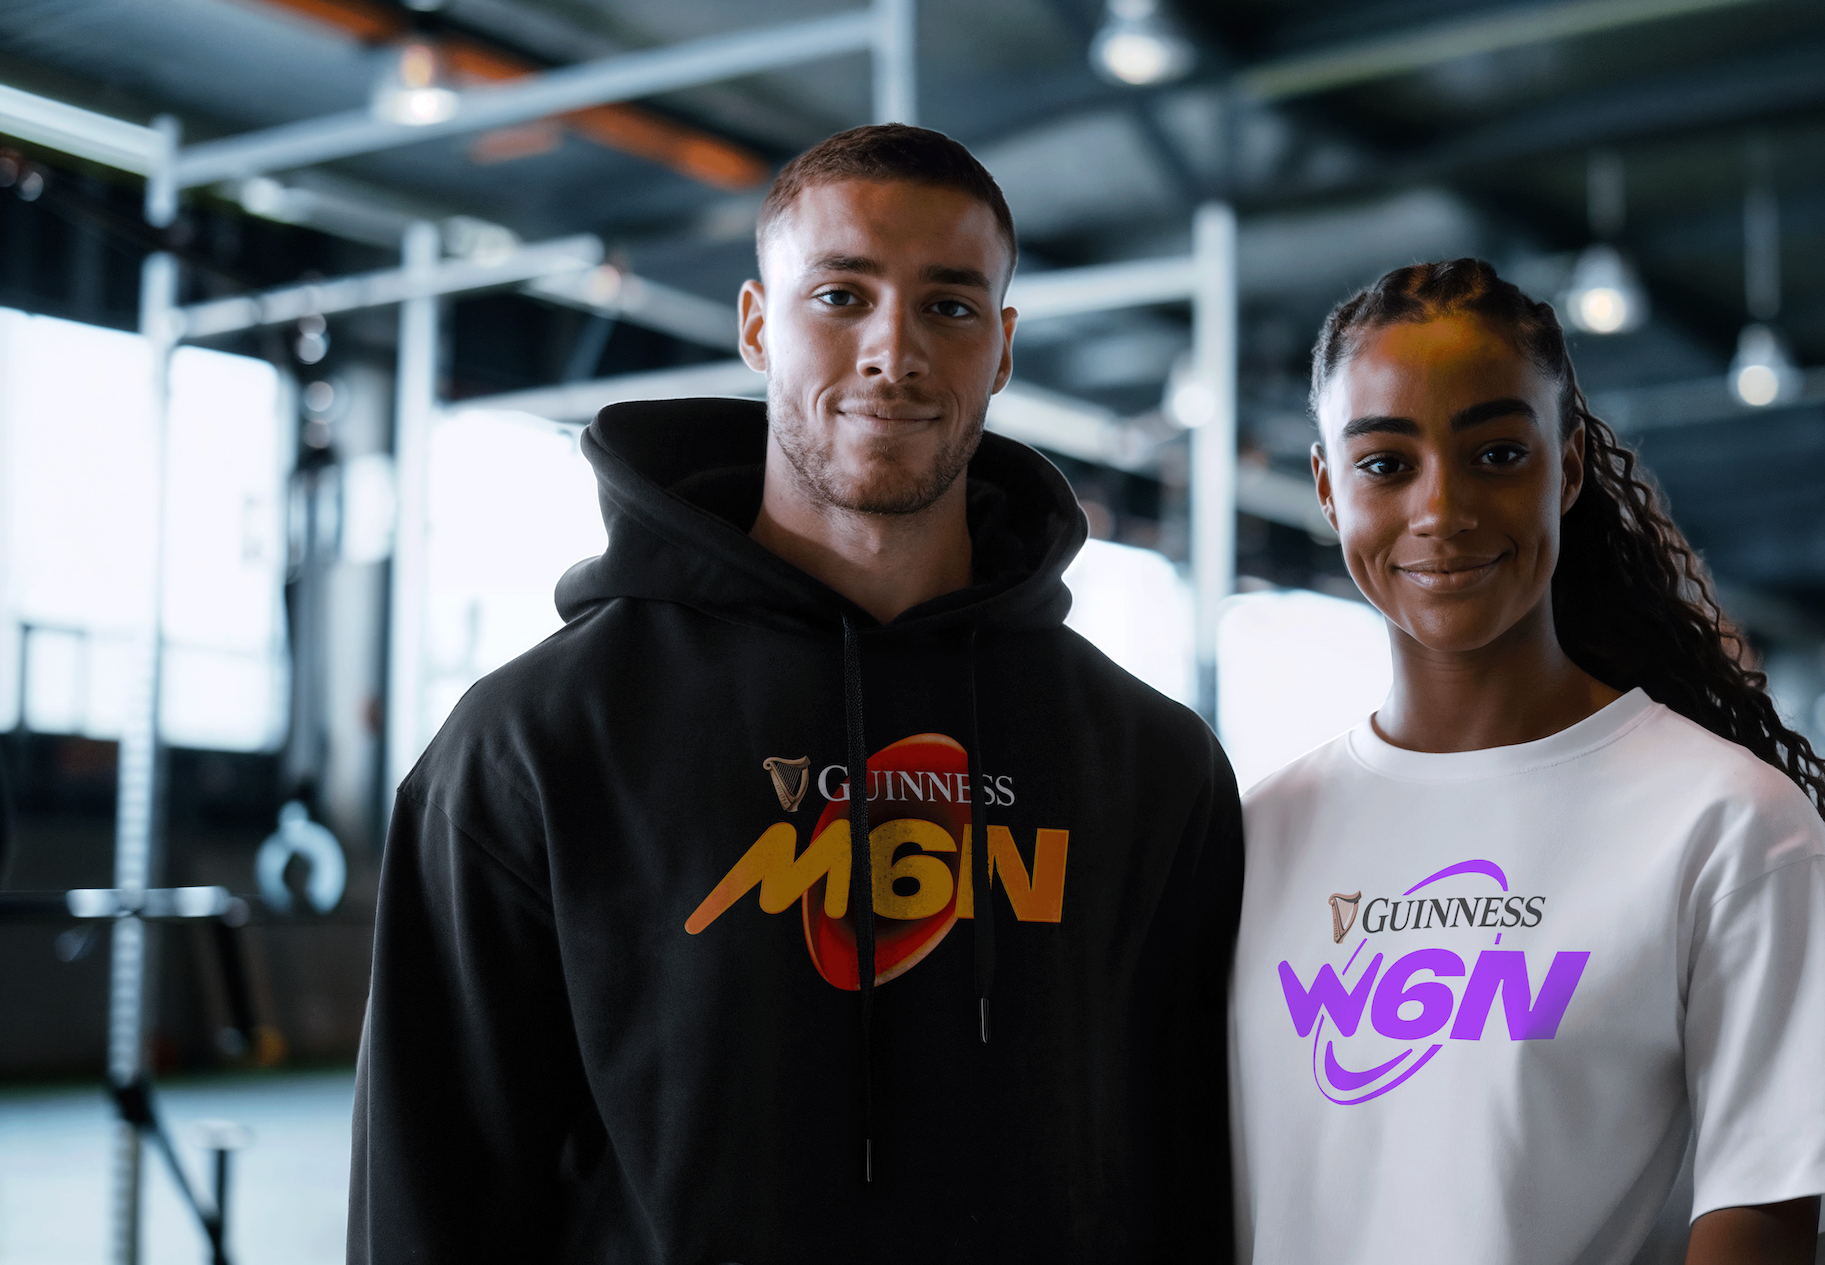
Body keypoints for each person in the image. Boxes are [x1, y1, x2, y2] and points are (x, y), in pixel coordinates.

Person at [350, 125, 1243, 1262]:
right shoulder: (534, 742)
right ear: (758, 325)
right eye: (841, 296)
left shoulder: (1149, 764)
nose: (894, 351)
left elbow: (1185, 1177)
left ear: (1004, 348)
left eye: (951, 307)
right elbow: (433, 1190)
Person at [1230, 260, 1825, 1265]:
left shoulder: (1727, 824)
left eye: (1498, 451)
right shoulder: (1252, 833)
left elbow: (1761, 1214)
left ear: (1569, 467)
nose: (1443, 508)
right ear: (1327, 486)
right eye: (1385, 463)